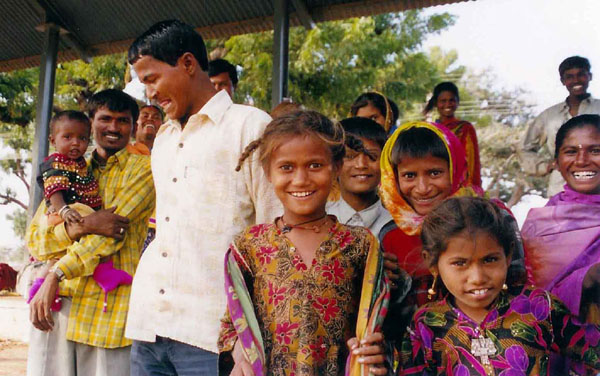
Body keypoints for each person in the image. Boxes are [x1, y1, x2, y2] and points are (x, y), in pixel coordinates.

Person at [126, 20, 280, 375]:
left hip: (215, 334)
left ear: (188, 64)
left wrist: (250, 336)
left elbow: (274, 237)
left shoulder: (251, 126)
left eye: (152, 79)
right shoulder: (163, 138)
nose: (149, 94)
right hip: (150, 325)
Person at [217, 110, 389, 376]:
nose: (300, 179)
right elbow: (232, 325)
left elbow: (378, 325)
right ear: (268, 172)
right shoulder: (250, 246)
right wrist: (239, 355)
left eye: (315, 165)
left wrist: (376, 352)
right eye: (286, 167)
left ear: (337, 167)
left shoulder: (360, 245)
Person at [26, 89, 155, 376]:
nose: (113, 127)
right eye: (105, 118)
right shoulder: (66, 166)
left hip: (107, 311)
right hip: (57, 307)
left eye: (122, 121)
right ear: (91, 122)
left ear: (133, 127)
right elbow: (36, 238)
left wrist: (55, 273)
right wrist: (85, 225)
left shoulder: (144, 169)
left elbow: (109, 234)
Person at [399, 196, 600, 375]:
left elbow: (593, 350)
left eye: (490, 260)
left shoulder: (538, 306)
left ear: (508, 255)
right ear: (433, 263)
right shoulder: (426, 324)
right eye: (460, 263)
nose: (477, 277)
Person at [522, 114, 600, 324]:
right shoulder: (539, 225)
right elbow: (530, 299)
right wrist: (587, 278)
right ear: (556, 161)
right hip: (562, 346)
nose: (582, 160)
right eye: (571, 152)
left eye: (595, 151)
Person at [522, 56, 600, 197]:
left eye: (581, 75)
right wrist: (545, 166)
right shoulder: (549, 116)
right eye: (569, 76)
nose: (576, 80)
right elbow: (524, 148)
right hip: (560, 189)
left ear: (590, 76)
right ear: (563, 81)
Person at [327, 117, 392, 237]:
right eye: (350, 156)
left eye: (372, 156)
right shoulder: (319, 219)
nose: (361, 165)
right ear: (334, 164)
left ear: (385, 163)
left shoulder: (395, 224)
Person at [37, 111, 102, 227]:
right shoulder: (55, 163)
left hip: (84, 215)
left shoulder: (83, 164)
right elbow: (54, 190)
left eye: (82, 138)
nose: (76, 143)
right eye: (67, 137)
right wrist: (63, 210)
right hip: (64, 215)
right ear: (53, 141)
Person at [423, 82, 482, 187]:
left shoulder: (465, 128)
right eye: (443, 101)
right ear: (436, 103)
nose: (447, 104)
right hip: (434, 184)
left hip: (459, 186)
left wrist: (470, 188)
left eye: (451, 100)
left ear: (457, 102)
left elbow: (472, 163)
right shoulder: (430, 130)